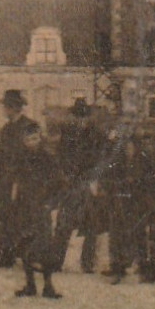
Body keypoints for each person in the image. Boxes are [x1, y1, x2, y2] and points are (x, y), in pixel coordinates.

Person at [50, 98, 106, 276]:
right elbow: (59, 157)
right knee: (63, 224)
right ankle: (56, 261)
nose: (80, 120)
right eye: (77, 116)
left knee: (91, 224)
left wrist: (93, 178)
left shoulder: (97, 135)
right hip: (70, 184)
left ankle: (87, 263)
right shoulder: (66, 133)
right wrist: (65, 176)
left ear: (88, 118)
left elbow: (102, 159)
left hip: (88, 183)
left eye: (83, 117)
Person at [105, 131, 155, 284]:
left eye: (131, 147)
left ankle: (149, 268)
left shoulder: (149, 162)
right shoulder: (118, 162)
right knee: (120, 234)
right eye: (125, 148)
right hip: (124, 202)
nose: (129, 150)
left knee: (148, 235)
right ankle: (119, 266)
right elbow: (110, 179)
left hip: (147, 203)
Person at [13, 124, 65, 299]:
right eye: (28, 139)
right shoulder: (21, 159)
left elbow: (59, 184)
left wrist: (50, 204)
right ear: (23, 141)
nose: (32, 142)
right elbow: (16, 182)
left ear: (40, 137)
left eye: (35, 138)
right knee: (26, 244)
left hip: (42, 208)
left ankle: (48, 286)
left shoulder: (48, 159)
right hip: (25, 208)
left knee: (45, 246)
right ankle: (30, 284)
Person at [0, 89, 40, 268]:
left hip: (25, 179)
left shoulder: (30, 126)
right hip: (6, 179)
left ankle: (30, 256)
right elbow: (0, 154)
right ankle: (6, 255)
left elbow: (35, 152)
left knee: (27, 217)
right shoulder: (6, 129)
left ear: (13, 108)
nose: (4, 110)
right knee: (6, 216)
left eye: (5, 107)